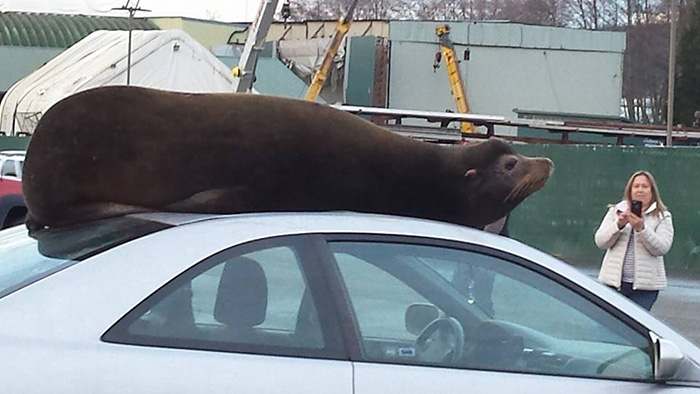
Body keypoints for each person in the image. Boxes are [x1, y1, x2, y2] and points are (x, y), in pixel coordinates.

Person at [594, 171, 674, 310]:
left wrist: (642, 228)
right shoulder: (616, 211)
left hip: (645, 289)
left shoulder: (662, 216)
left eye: (645, 186)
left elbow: (662, 248)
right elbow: (600, 241)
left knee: (633, 328)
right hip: (613, 284)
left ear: (652, 191)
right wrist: (618, 225)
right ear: (630, 190)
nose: (640, 190)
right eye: (636, 186)